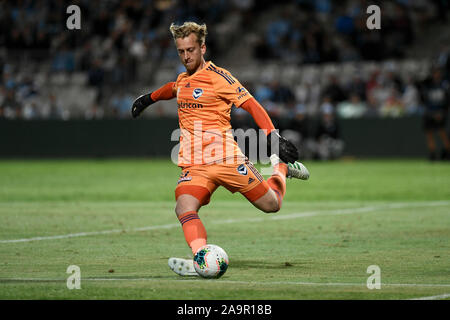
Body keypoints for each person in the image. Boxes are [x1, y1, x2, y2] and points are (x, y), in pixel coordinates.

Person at [131, 22, 310, 276]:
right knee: (184, 207)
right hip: (196, 165)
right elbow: (172, 89)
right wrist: (148, 98)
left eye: (191, 50)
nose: (186, 56)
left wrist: (273, 137)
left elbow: (252, 105)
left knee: (272, 205)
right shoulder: (183, 80)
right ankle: (201, 260)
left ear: (202, 47)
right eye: (181, 51)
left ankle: (280, 168)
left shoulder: (219, 77)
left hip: (226, 159)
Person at [420, 68, 450, 160]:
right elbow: (424, 100)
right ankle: (432, 154)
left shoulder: (444, 85)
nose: (436, 75)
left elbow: (446, 101)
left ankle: (447, 152)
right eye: (435, 73)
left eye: (438, 73)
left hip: (440, 112)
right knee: (429, 134)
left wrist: (442, 112)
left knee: (442, 133)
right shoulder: (428, 85)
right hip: (430, 113)